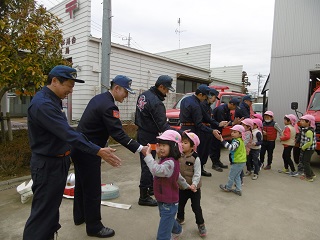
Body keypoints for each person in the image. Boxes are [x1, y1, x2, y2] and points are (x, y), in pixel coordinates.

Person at [23, 65, 121, 240]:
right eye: (68, 85)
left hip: (58, 162)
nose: (71, 90)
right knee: (42, 215)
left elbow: (65, 131)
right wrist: (97, 150)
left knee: (50, 213)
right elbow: (67, 133)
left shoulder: (52, 100)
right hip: (47, 166)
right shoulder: (43, 105)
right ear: (54, 81)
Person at [71, 75, 148, 238]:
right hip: (90, 151)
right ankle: (94, 227)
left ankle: (80, 217)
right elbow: (118, 134)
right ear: (117, 88)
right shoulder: (109, 106)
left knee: (81, 185)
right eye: (125, 92)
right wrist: (140, 148)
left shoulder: (99, 99)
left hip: (79, 148)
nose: (126, 96)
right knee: (92, 190)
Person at [143, 130, 193, 240]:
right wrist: (186, 185)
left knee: (163, 233)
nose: (161, 148)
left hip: (169, 203)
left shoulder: (170, 162)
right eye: (159, 145)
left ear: (174, 146)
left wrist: (148, 156)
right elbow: (178, 176)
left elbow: (156, 170)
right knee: (166, 217)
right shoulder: (165, 159)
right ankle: (177, 230)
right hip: (162, 199)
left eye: (164, 145)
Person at [135, 75, 175, 206]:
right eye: (167, 89)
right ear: (161, 87)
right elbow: (162, 125)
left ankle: (150, 188)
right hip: (149, 137)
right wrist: (177, 134)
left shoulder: (144, 95)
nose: (167, 92)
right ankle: (143, 196)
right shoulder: (157, 103)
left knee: (147, 163)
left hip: (141, 132)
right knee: (148, 164)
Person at [179, 84, 221, 177]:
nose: (206, 98)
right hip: (192, 131)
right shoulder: (196, 105)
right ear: (201, 94)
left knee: (183, 150)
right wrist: (212, 131)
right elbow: (199, 124)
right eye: (205, 96)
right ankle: (191, 172)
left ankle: (183, 171)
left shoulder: (185, 100)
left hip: (183, 129)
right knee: (192, 152)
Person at [176, 131, 207, 237]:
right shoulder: (179, 155)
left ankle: (201, 224)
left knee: (196, 207)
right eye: (181, 142)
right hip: (182, 187)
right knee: (180, 204)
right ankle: (180, 218)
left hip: (194, 189)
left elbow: (197, 174)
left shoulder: (195, 158)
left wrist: (194, 184)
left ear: (193, 146)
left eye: (185, 143)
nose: (182, 145)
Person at [197, 88, 228, 176]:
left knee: (206, 151)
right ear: (209, 96)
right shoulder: (203, 105)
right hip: (203, 130)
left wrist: (219, 124)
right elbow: (208, 118)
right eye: (214, 97)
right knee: (202, 150)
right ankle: (198, 169)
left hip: (207, 130)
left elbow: (210, 119)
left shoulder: (208, 107)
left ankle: (201, 168)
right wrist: (218, 124)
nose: (215, 100)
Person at [210, 97, 243, 172]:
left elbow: (228, 121)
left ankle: (218, 161)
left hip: (219, 130)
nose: (235, 108)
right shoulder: (221, 110)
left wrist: (233, 123)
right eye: (235, 106)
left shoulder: (227, 110)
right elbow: (222, 123)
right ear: (231, 104)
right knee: (214, 147)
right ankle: (214, 163)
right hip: (214, 130)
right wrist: (232, 123)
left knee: (218, 146)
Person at [218, 125, 247, 196]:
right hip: (242, 161)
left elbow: (231, 148)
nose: (232, 133)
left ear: (240, 134)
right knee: (236, 176)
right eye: (232, 132)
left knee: (231, 176)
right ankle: (238, 189)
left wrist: (222, 141)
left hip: (238, 162)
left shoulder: (236, 141)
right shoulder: (240, 140)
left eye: (235, 132)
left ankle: (228, 187)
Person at [297, 115, 316, 182]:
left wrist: (303, 147)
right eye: (301, 120)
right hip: (306, 148)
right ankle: (312, 174)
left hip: (308, 149)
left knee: (306, 162)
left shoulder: (309, 131)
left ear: (308, 122)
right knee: (306, 161)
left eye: (303, 121)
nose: (301, 122)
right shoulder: (304, 129)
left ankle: (309, 177)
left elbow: (309, 142)